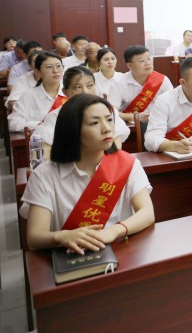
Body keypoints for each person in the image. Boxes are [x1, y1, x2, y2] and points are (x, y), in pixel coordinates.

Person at [20, 93, 154, 254]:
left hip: (121, 251)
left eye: (109, 119)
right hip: (70, 257)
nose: (107, 128)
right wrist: (61, 237)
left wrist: (113, 231)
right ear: (73, 129)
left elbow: (147, 213)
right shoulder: (44, 175)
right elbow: (34, 238)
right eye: (94, 123)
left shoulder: (128, 164)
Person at [35, 66, 130, 157]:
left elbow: (115, 149)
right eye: (78, 87)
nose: (85, 92)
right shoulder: (55, 117)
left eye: (90, 85)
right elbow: (47, 154)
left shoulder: (108, 111)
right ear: (65, 92)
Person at [108, 45, 173, 123]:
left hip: (159, 124)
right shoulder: (118, 82)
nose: (148, 63)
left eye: (149, 58)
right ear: (130, 65)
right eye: (142, 61)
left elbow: (173, 106)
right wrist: (135, 117)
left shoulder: (162, 80)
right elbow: (111, 112)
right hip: (129, 126)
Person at [9, 52, 66, 132]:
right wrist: (40, 124)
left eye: (58, 66)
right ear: (38, 71)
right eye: (49, 67)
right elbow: (13, 124)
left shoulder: (71, 93)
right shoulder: (28, 96)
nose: (55, 70)